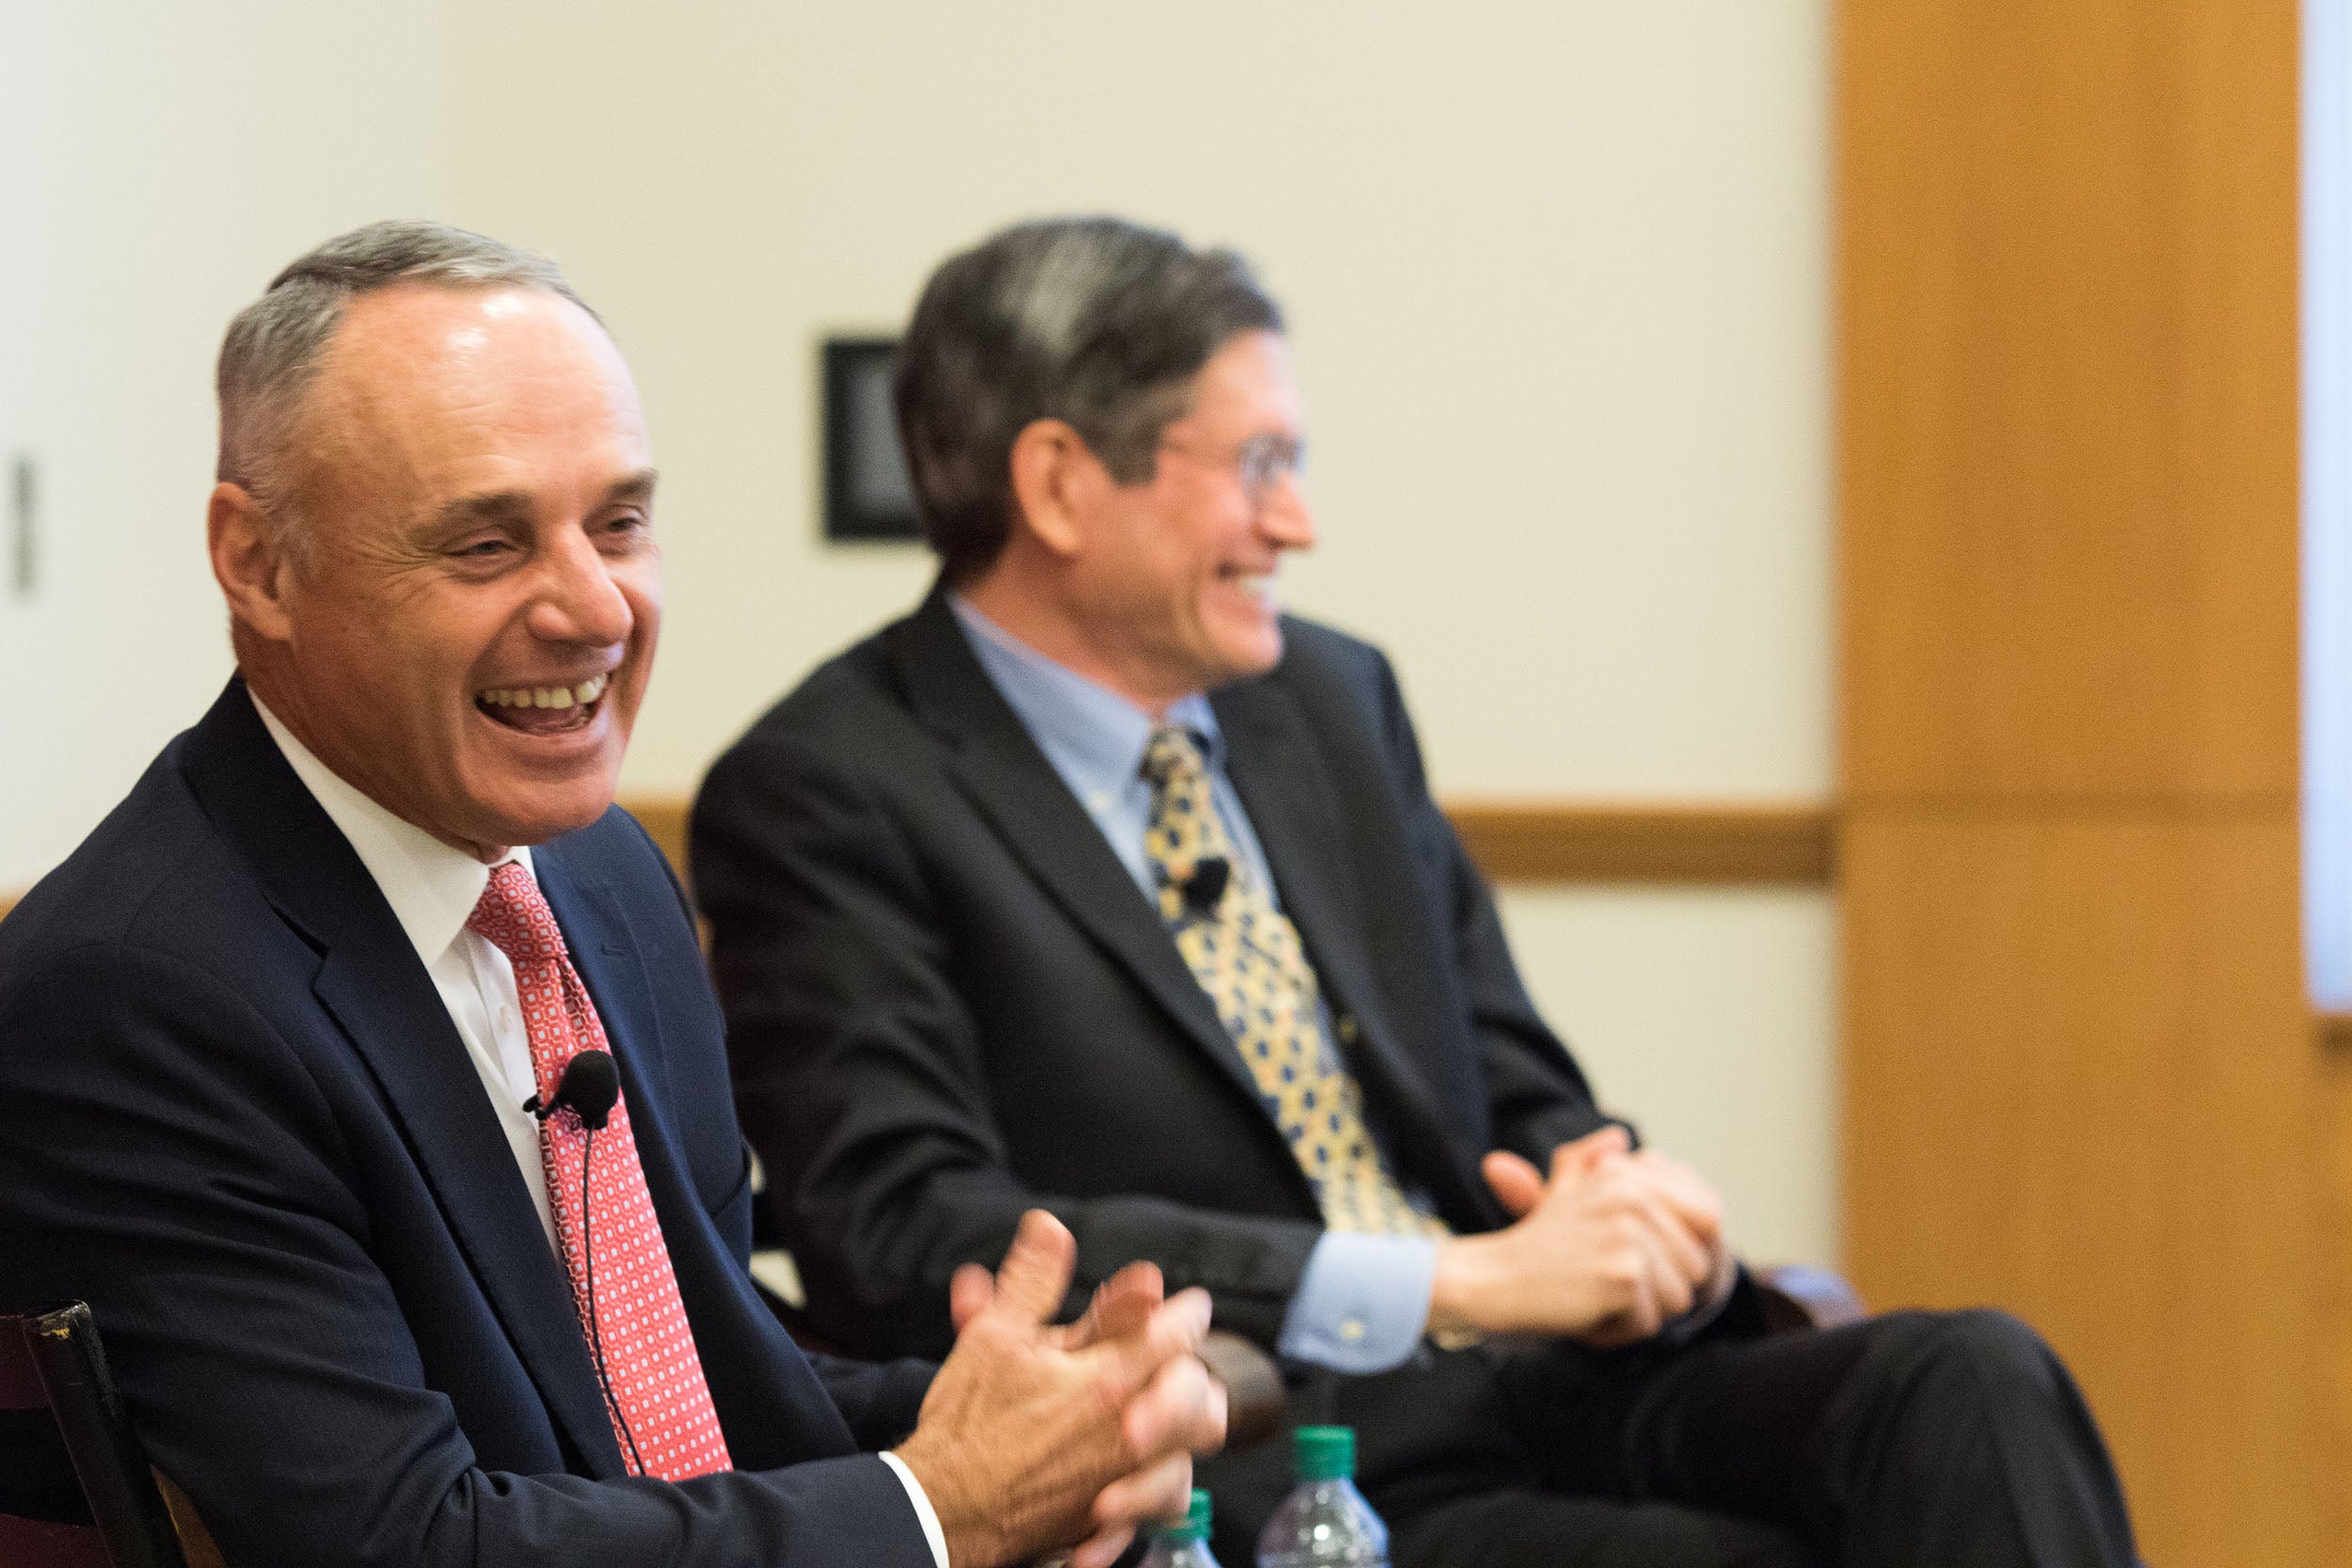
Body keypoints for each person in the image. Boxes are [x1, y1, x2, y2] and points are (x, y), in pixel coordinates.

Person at [690, 216, 2144, 1568]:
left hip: (1572, 1375)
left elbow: (1505, 1075)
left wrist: (1616, 1194)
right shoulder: (832, 788)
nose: (1298, 523)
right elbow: (903, 1234)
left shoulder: (1325, 700)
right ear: (1063, 484)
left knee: (1971, 1381)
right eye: (1256, 466)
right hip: (1294, 1452)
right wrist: (1443, 1287)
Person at [0, 220, 1227, 1568]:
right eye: (485, 544)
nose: (595, 609)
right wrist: (945, 1506)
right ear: (261, 566)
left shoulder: (604, 877)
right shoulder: (136, 993)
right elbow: (401, 1544)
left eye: (621, 523)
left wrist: (1039, 1413)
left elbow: (686, 1397)